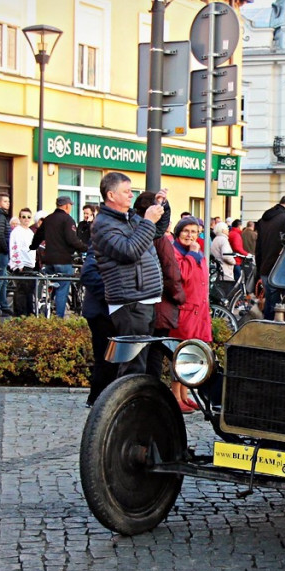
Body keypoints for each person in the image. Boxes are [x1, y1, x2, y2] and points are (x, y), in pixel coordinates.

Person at [91, 172, 164, 376]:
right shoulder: (103, 224)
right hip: (130, 300)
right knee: (133, 364)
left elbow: (156, 232)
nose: (131, 195)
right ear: (111, 195)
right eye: (126, 191)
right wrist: (148, 221)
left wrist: (160, 208)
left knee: (143, 361)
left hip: (143, 297)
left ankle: (138, 404)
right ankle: (127, 405)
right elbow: (129, 251)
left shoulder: (129, 218)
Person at [132, 190, 185, 380]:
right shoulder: (159, 239)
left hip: (138, 304)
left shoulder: (133, 232)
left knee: (140, 353)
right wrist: (180, 298)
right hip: (159, 303)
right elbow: (171, 273)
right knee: (154, 352)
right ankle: (149, 393)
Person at [169, 216, 212, 412]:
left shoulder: (197, 252)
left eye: (194, 232)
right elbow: (181, 276)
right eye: (186, 231)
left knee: (191, 351)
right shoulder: (177, 252)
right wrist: (193, 256)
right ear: (178, 233)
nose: (190, 235)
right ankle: (175, 396)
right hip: (185, 311)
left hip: (198, 310)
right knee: (179, 354)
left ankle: (185, 395)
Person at [30, 196, 86, 318]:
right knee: (62, 289)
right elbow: (72, 240)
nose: (71, 207)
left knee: (51, 285)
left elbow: (38, 236)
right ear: (66, 206)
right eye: (70, 205)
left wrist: (32, 247)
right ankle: (59, 318)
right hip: (64, 260)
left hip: (49, 261)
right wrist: (86, 248)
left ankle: (47, 308)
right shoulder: (68, 220)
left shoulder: (48, 219)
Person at [80, 245, 117, 408]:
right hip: (100, 311)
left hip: (116, 311)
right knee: (104, 357)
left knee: (113, 358)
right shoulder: (98, 244)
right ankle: (97, 398)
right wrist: (112, 293)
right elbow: (88, 274)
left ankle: (105, 397)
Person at [255, 195, 285, 320]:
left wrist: (259, 269)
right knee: (278, 308)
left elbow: (259, 247)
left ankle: (266, 331)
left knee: (270, 305)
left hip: (265, 268)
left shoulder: (265, 219)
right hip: (279, 269)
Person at [8, 208, 37, 316]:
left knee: (29, 290)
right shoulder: (16, 232)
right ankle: (20, 313)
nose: (26, 219)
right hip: (20, 264)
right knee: (21, 290)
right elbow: (14, 248)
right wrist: (19, 264)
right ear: (19, 218)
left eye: (28, 217)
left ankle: (29, 313)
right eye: (23, 217)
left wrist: (33, 263)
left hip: (29, 264)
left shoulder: (30, 232)